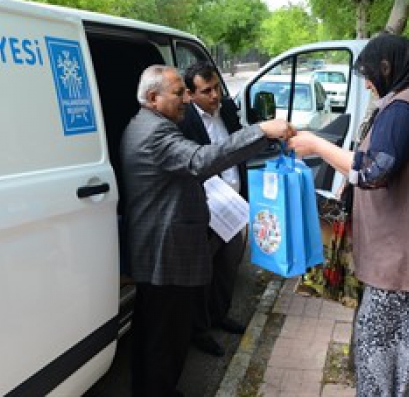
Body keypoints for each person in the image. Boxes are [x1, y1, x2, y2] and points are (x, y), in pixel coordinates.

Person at [290, 34, 409, 395]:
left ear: (388, 68)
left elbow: (372, 171)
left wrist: (315, 144)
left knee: (388, 344)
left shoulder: (403, 108)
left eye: (369, 73)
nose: (367, 81)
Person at [120, 65, 293, 397]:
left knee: (151, 330)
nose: (187, 97)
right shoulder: (157, 133)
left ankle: (151, 388)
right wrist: (262, 130)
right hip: (165, 252)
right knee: (166, 335)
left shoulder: (140, 124)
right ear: (154, 98)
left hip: (153, 245)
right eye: (179, 92)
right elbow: (201, 159)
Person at [178, 61, 247, 357]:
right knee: (202, 275)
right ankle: (199, 330)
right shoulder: (185, 122)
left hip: (234, 204)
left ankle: (220, 315)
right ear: (191, 95)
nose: (215, 95)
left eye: (217, 87)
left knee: (228, 265)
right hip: (207, 209)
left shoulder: (228, 110)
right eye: (207, 91)